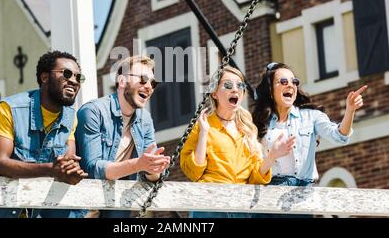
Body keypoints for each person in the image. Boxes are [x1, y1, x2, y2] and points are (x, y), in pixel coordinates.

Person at [0, 51, 88, 218]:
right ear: (45, 77)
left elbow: (67, 164)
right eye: (66, 74)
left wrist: (70, 172)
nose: (74, 81)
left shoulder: (71, 117)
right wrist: (51, 170)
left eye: (79, 77)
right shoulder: (10, 108)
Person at [252, 62, 366, 217]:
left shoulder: (310, 116)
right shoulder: (259, 122)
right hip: (266, 195)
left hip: (299, 195)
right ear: (271, 90)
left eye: (294, 82)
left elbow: (339, 136)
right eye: (283, 82)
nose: (290, 86)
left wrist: (350, 111)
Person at [180, 66, 295, 218]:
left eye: (240, 85)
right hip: (210, 208)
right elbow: (194, 172)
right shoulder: (202, 126)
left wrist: (272, 156)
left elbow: (255, 177)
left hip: (242, 208)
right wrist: (203, 134)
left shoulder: (247, 129)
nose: (235, 89)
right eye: (228, 85)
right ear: (214, 93)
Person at [75, 55, 170, 218]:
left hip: (117, 207)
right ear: (121, 81)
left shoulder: (145, 119)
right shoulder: (93, 111)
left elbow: (149, 175)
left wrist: (154, 169)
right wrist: (138, 164)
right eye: (143, 79)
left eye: (153, 83)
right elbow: (93, 168)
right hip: (82, 206)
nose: (148, 86)